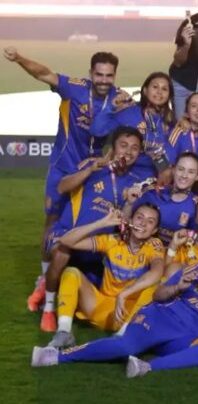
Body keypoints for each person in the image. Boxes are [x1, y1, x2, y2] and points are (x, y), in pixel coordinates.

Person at [4, 48, 120, 312]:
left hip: (93, 172)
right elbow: (44, 73)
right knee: (53, 221)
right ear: (91, 73)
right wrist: (20, 59)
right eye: (99, 74)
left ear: (114, 75)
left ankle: (87, 276)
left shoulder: (119, 99)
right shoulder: (74, 88)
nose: (104, 80)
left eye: (109, 75)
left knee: (88, 221)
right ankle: (44, 278)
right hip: (63, 167)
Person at [32, 239, 198, 377]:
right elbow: (157, 295)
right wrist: (177, 287)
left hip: (185, 338)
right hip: (159, 318)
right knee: (125, 348)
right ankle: (55, 356)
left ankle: (147, 367)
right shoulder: (197, 269)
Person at [39, 127, 146, 331]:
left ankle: (51, 285)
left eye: (134, 148)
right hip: (66, 231)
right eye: (123, 145)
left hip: (97, 244)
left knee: (89, 294)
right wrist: (90, 170)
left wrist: (129, 203)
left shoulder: (135, 181)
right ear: (113, 148)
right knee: (62, 252)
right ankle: (49, 307)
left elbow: (123, 221)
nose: (128, 151)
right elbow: (61, 187)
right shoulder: (93, 164)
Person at [46, 206, 164, 349]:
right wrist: (101, 223)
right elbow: (66, 240)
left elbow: (157, 272)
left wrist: (124, 294)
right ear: (130, 220)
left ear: (154, 230)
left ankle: (123, 336)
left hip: (129, 314)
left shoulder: (154, 246)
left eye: (150, 221)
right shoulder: (113, 241)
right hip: (100, 308)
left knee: (155, 285)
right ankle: (64, 332)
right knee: (71, 272)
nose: (143, 223)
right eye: (139, 217)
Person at [90, 71, 175, 177]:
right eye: (155, 87)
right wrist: (111, 107)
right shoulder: (129, 111)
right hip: (123, 174)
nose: (159, 92)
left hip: (154, 177)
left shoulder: (171, 121)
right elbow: (96, 130)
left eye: (164, 89)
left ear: (169, 95)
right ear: (145, 90)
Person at [124, 152, 198, 245]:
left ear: (197, 176)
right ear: (173, 170)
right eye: (181, 169)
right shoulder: (153, 193)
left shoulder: (196, 206)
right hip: (141, 250)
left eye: (191, 172)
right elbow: (125, 223)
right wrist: (129, 204)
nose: (184, 175)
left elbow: (194, 242)